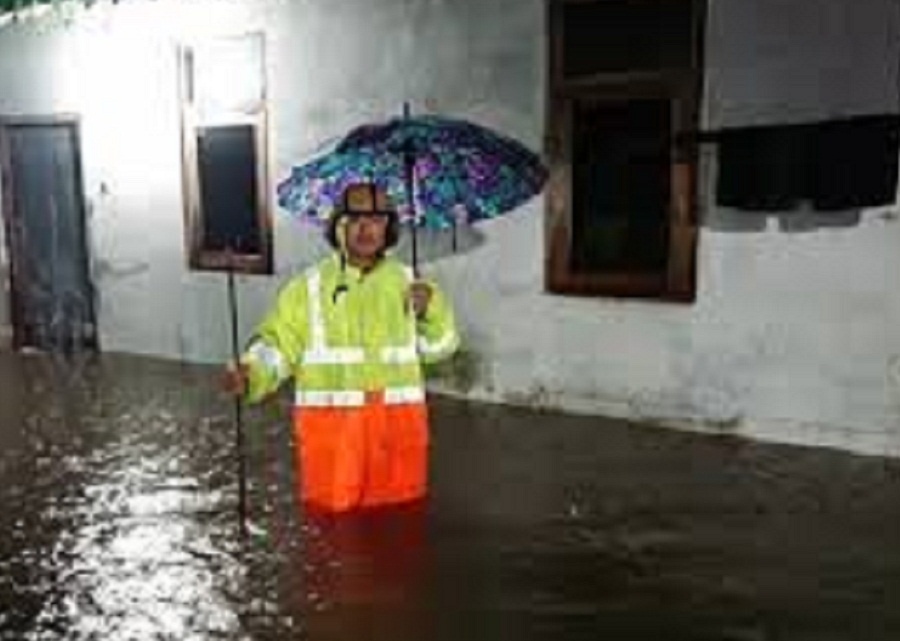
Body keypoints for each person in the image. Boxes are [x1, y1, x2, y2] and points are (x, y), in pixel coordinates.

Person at [224, 181, 459, 514]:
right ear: (338, 225)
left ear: (389, 227)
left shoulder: (413, 284)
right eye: (355, 218)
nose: (367, 228)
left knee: (400, 540)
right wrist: (251, 374)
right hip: (333, 446)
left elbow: (441, 347)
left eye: (377, 219)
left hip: (396, 442)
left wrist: (431, 310)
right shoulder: (307, 287)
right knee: (332, 545)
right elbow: (278, 346)